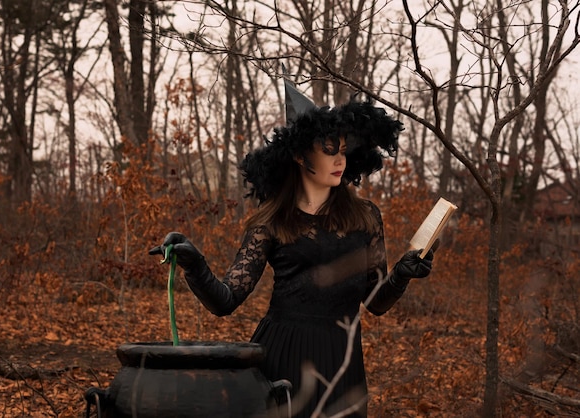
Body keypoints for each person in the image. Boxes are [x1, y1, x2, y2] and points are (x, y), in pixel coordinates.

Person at [160, 79, 434, 417]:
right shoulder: (272, 221)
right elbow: (225, 300)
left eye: (343, 150)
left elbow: (375, 302)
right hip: (282, 355)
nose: (340, 160)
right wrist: (195, 264)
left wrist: (402, 275)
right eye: (330, 149)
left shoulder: (366, 217)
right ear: (301, 156)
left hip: (342, 359)